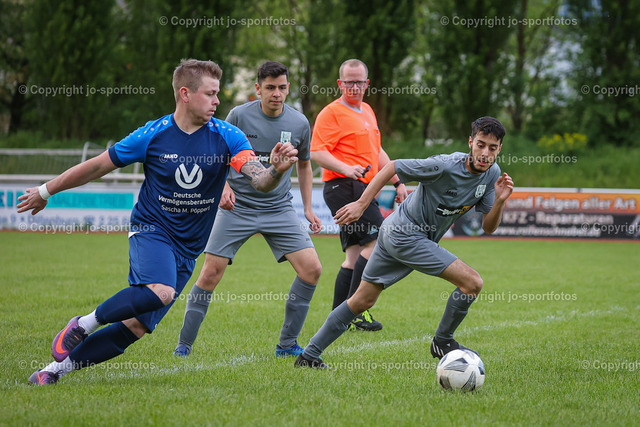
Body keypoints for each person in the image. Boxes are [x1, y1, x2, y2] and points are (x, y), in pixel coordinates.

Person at [18, 58, 299, 385]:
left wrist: (276, 170)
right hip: (151, 230)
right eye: (210, 94)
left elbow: (260, 181)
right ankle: (83, 323)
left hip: (189, 249)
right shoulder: (153, 134)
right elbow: (97, 166)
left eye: (217, 93)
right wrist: (46, 190)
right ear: (185, 94)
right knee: (161, 291)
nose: (217, 101)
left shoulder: (228, 136)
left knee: (136, 326)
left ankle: (53, 372)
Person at [295, 116, 514, 368]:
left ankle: (308, 356)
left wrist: (499, 201)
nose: (485, 153)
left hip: (397, 234)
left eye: (492, 148)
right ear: (470, 142)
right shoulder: (444, 165)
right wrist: (361, 204)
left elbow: (488, 227)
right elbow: (392, 167)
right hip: (405, 234)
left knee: (361, 301)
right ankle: (443, 341)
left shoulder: (492, 175)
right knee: (472, 283)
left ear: (499, 149)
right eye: (480, 145)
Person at [173, 61, 323, 358]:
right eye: (270, 88)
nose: (276, 93)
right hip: (236, 207)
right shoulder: (238, 115)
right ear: (258, 89)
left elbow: (305, 165)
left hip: (279, 208)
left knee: (312, 270)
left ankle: (287, 346)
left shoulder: (299, 123)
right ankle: (183, 346)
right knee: (210, 273)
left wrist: (307, 207)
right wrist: (222, 188)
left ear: (288, 88)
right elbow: (217, 156)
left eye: (282, 87)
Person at [310, 58, 408, 331]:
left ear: (367, 84)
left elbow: (377, 152)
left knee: (353, 258)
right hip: (344, 187)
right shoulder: (331, 113)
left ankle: (337, 319)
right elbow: (316, 152)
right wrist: (346, 168)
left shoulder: (367, 110)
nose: (354, 87)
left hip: (363, 188)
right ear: (340, 83)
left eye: (359, 82)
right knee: (378, 242)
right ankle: (353, 311)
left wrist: (397, 181)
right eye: (349, 82)